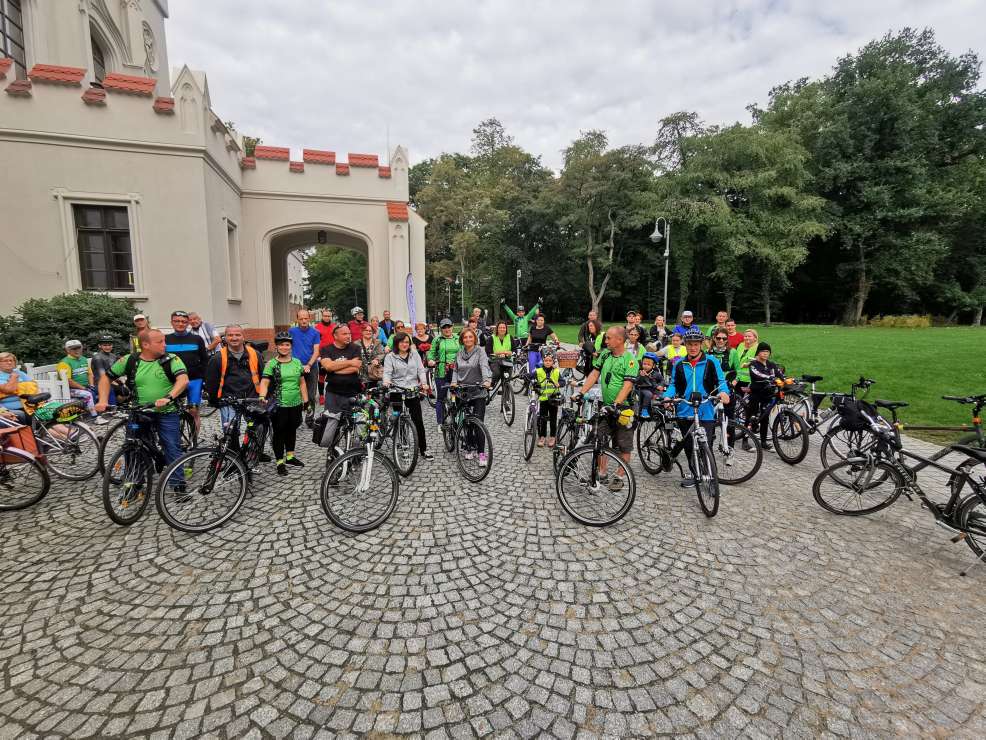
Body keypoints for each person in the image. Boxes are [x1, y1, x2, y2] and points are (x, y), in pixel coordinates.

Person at [96, 329, 189, 488]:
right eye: (160, 342)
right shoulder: (129, 360)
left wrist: (168, 397)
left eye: (164, 341)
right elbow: (106, 378)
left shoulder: (171, 359)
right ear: (145, 344)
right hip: (138, 412)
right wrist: (103, 400)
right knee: (132, 447)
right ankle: (134, 484)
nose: (164, 344)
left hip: (166, 412)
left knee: (171, 446)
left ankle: (178, 484)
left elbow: (183, 380)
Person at [662, 328, 730, 487]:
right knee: (689, 446)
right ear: (685, 345)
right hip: (685, 409)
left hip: (705, 409)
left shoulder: (711, 361)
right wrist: (667, 396)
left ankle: (711, 477)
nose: (693, 347)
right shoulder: (679, 363)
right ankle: (695, 474)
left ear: (701, 344)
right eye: (690, 344)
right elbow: (673, 384)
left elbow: (721, 382)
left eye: (696, 344)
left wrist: (724, 393)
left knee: (705, 444)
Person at [577, 326, 638, 491]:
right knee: (599, 439)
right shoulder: (604, 354)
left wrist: (616, 403)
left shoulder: (630, 359)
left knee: (624, 444)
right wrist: (582, 393)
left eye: (609, 338)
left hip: (624, 409)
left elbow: (627, 385)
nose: (606, 341)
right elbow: (595, 374)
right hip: (606, 407)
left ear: (619, 340)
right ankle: (602, 473)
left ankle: (619, 476)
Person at [259, 332, 308, 475]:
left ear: (291, 346)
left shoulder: (297, 362)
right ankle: (280, 462)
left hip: (295, 403)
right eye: (281, 344)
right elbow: (265, 381)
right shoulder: (272, 364)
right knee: (279, 432)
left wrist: (306, 401)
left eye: (287, 344)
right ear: (277, 346)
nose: (284, 347)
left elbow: (302, 383)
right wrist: (262, 395)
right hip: (279, 405)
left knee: (292, 429)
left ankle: (290, 457)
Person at [204, 325, 264, 434]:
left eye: (237, 335)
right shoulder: (217, 358)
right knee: (230, 433)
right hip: (229, 400)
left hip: (252, 398)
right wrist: (215, 401)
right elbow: (211, 383)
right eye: (230, 335)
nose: (234, 338)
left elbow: (264, 377)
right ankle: (232, 450)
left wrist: (264, 395)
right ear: (225, 338)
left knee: (256, 430)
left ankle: (254, 450)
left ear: (243, 337)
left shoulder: (255, 354)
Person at [383, 331, 433, 460]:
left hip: (412, 390)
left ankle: (424, 448)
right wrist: (386, 382)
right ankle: (404, 446)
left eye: (407, 342)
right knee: (399, 421)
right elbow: (387, 372)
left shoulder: (414, 354)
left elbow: (421, 370)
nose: (404, 344)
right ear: (396, 343)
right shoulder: (390, 357)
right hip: (397, 391)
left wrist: (424, 383)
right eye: (402, 342)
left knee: (418, 420)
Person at [317, 324, 362, 452]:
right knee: (332, 426)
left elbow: (356, 367)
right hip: (333, 394)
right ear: (335, 336)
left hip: (352, 393)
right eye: (344, 334)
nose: (348, 336)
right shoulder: (326, 349)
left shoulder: (355, 348)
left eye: (349, 333)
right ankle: (332, 455)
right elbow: (328, 367)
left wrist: (334, 367)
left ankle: (353, 454)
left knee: (353, 425)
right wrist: (349, 362)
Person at [451, 328, 492, 466]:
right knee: (467, 421)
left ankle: (481, 453)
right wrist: (454, 382)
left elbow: (484, 366)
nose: (468, 339)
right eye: (465, 337)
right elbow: (456, 370)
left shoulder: (480, 351)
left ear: (474, 338)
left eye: (470, 337)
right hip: (463, 390)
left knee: (478, 422)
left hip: (478, 390)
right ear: (462, 340)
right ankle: (469, 446)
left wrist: (486, 380)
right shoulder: (459, 353)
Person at [165, 310, 210, 432]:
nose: (180, 324)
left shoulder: (197, 339)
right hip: (173, 381)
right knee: (172, 411)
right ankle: (175, 438)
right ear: (171, 323)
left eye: (184, 322)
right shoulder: (165, 339)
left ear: (188, 323)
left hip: (194, 379)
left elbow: (205, 360)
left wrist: (205, 379)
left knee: (194, 410)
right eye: (177, 321)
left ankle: (193, 440)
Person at [746, 342, 785, 450]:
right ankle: (745, 440)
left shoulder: (771, 365)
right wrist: (770, 378)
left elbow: (780, 375)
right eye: (763, 351)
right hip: (756, 392)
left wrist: (786, 380)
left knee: (765, 417)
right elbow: (757, 375)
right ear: (758, 352)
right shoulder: (753, 364)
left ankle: (763, 442)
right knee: (750, 415)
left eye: (767, 352)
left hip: (767, 394)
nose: (765, 354)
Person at [289, 309, 321, 426]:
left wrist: (308, 365)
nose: (303, 321)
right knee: (295, 395)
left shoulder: (315, 332)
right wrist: (296, 364)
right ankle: (297, 419)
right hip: (295, 367)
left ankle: (309, 419)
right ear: (297, 320)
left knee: (311, 395)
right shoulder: (291, 331)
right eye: (301, 319)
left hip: (311, 367)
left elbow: (316, 351)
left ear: (309, 319)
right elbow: (288, 348)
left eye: (306, 318)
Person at [57, 339, 101, 423]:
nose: (77, 350)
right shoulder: (64, 363)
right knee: (88, 394)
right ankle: (94, 417)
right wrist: (83, 388)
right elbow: (68, 381)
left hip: (84, 387)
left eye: (78, 348)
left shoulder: (83, 359)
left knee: (102, 389)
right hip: (69, 390)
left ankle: (105, 411)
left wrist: (91, 385)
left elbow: (90, 374)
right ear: (67, 350)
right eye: (74, 349)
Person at [427, 318, 460, 424]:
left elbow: (464, 351)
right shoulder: (437, 339)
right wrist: (431, 360)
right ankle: (440, 422)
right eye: (444, 327)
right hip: (441, 371)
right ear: (441, 329)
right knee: (441, 397)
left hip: (456, 371)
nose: (447, 329)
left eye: (449, 326)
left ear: (452, 326)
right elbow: (431, 352)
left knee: (458, 395)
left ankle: (458, 419)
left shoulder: (457, 338)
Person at [535, 348, 562, 447]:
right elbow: (531, 376)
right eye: (546, 360)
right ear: (543, 360)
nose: (547, 362)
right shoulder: (538, 371)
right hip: (543, 399)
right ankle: (542, 436)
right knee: (542, 418)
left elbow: (562, 381)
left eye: (550, 360)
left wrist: (559, 383)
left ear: (553, 361)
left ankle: (552, 437)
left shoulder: (556, 372)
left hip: (553, 399)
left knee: (553, 419)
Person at [0, 352, 32, 423]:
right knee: (21, 415)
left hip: (27, 404)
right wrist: (14, 379)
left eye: (11, 360)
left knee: (47, 415)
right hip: (6, 408)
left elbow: (33, 387)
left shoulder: (21, 373)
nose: (9, 362)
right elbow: (9, 389)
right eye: (5, 361)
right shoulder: (15, 375)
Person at [90, 335, 119, 405]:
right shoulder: (97, 358)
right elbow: (103, 376)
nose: (107, 347)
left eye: (109, 345)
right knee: (110, 390)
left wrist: (122, 382)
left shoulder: (113, 356)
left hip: (111, 382)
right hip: (100, 384)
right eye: (105, 345)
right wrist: (117, 384)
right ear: (100, 346)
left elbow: (117, 371)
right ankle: (112, 409)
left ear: (112, 345)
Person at [487, 320, 515, 392]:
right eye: (500, 328)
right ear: (497, 329)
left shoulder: (510, 337)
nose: (502, 329)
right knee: (497, 373)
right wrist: (501, 353)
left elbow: (514, 350)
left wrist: (510, 353)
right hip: (494, 360)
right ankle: (492, 384)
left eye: (504, 328)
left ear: (506, 329)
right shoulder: (491, 338)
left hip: (507, 361)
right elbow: (488, 352)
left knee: (507, 379)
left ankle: (506, 399)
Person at [635, 352, 665, 419]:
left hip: (653, 389)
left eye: (648, 364)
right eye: (644, 364)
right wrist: (641, 377)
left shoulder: (656, 374)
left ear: (653, 366)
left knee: (663, 395)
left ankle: (660, 410)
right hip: (642, 389)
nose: (645, 366)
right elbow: (637, 382)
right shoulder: (640, 372)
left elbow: (662, 380)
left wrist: (661, 385)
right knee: (648, 394)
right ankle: (644, 410)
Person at [730, 329, 760, 394]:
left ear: (755, 338)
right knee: (734, 395)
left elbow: (759, 361)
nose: (747, 338)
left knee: (744, 399)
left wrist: (747, 364)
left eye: (749, 336)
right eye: (745, 336)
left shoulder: (758, 348)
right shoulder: (740, 345)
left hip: (748, 378)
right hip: (736, 375)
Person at [357, 323, 385, 388]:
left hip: (374, 373)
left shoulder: (377, 342)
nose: (368, 332)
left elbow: (382, 353)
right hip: (361, 374)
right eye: (366, 330)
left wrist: (377, 359)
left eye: (370, 331)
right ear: (362, 331)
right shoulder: (356, 343)